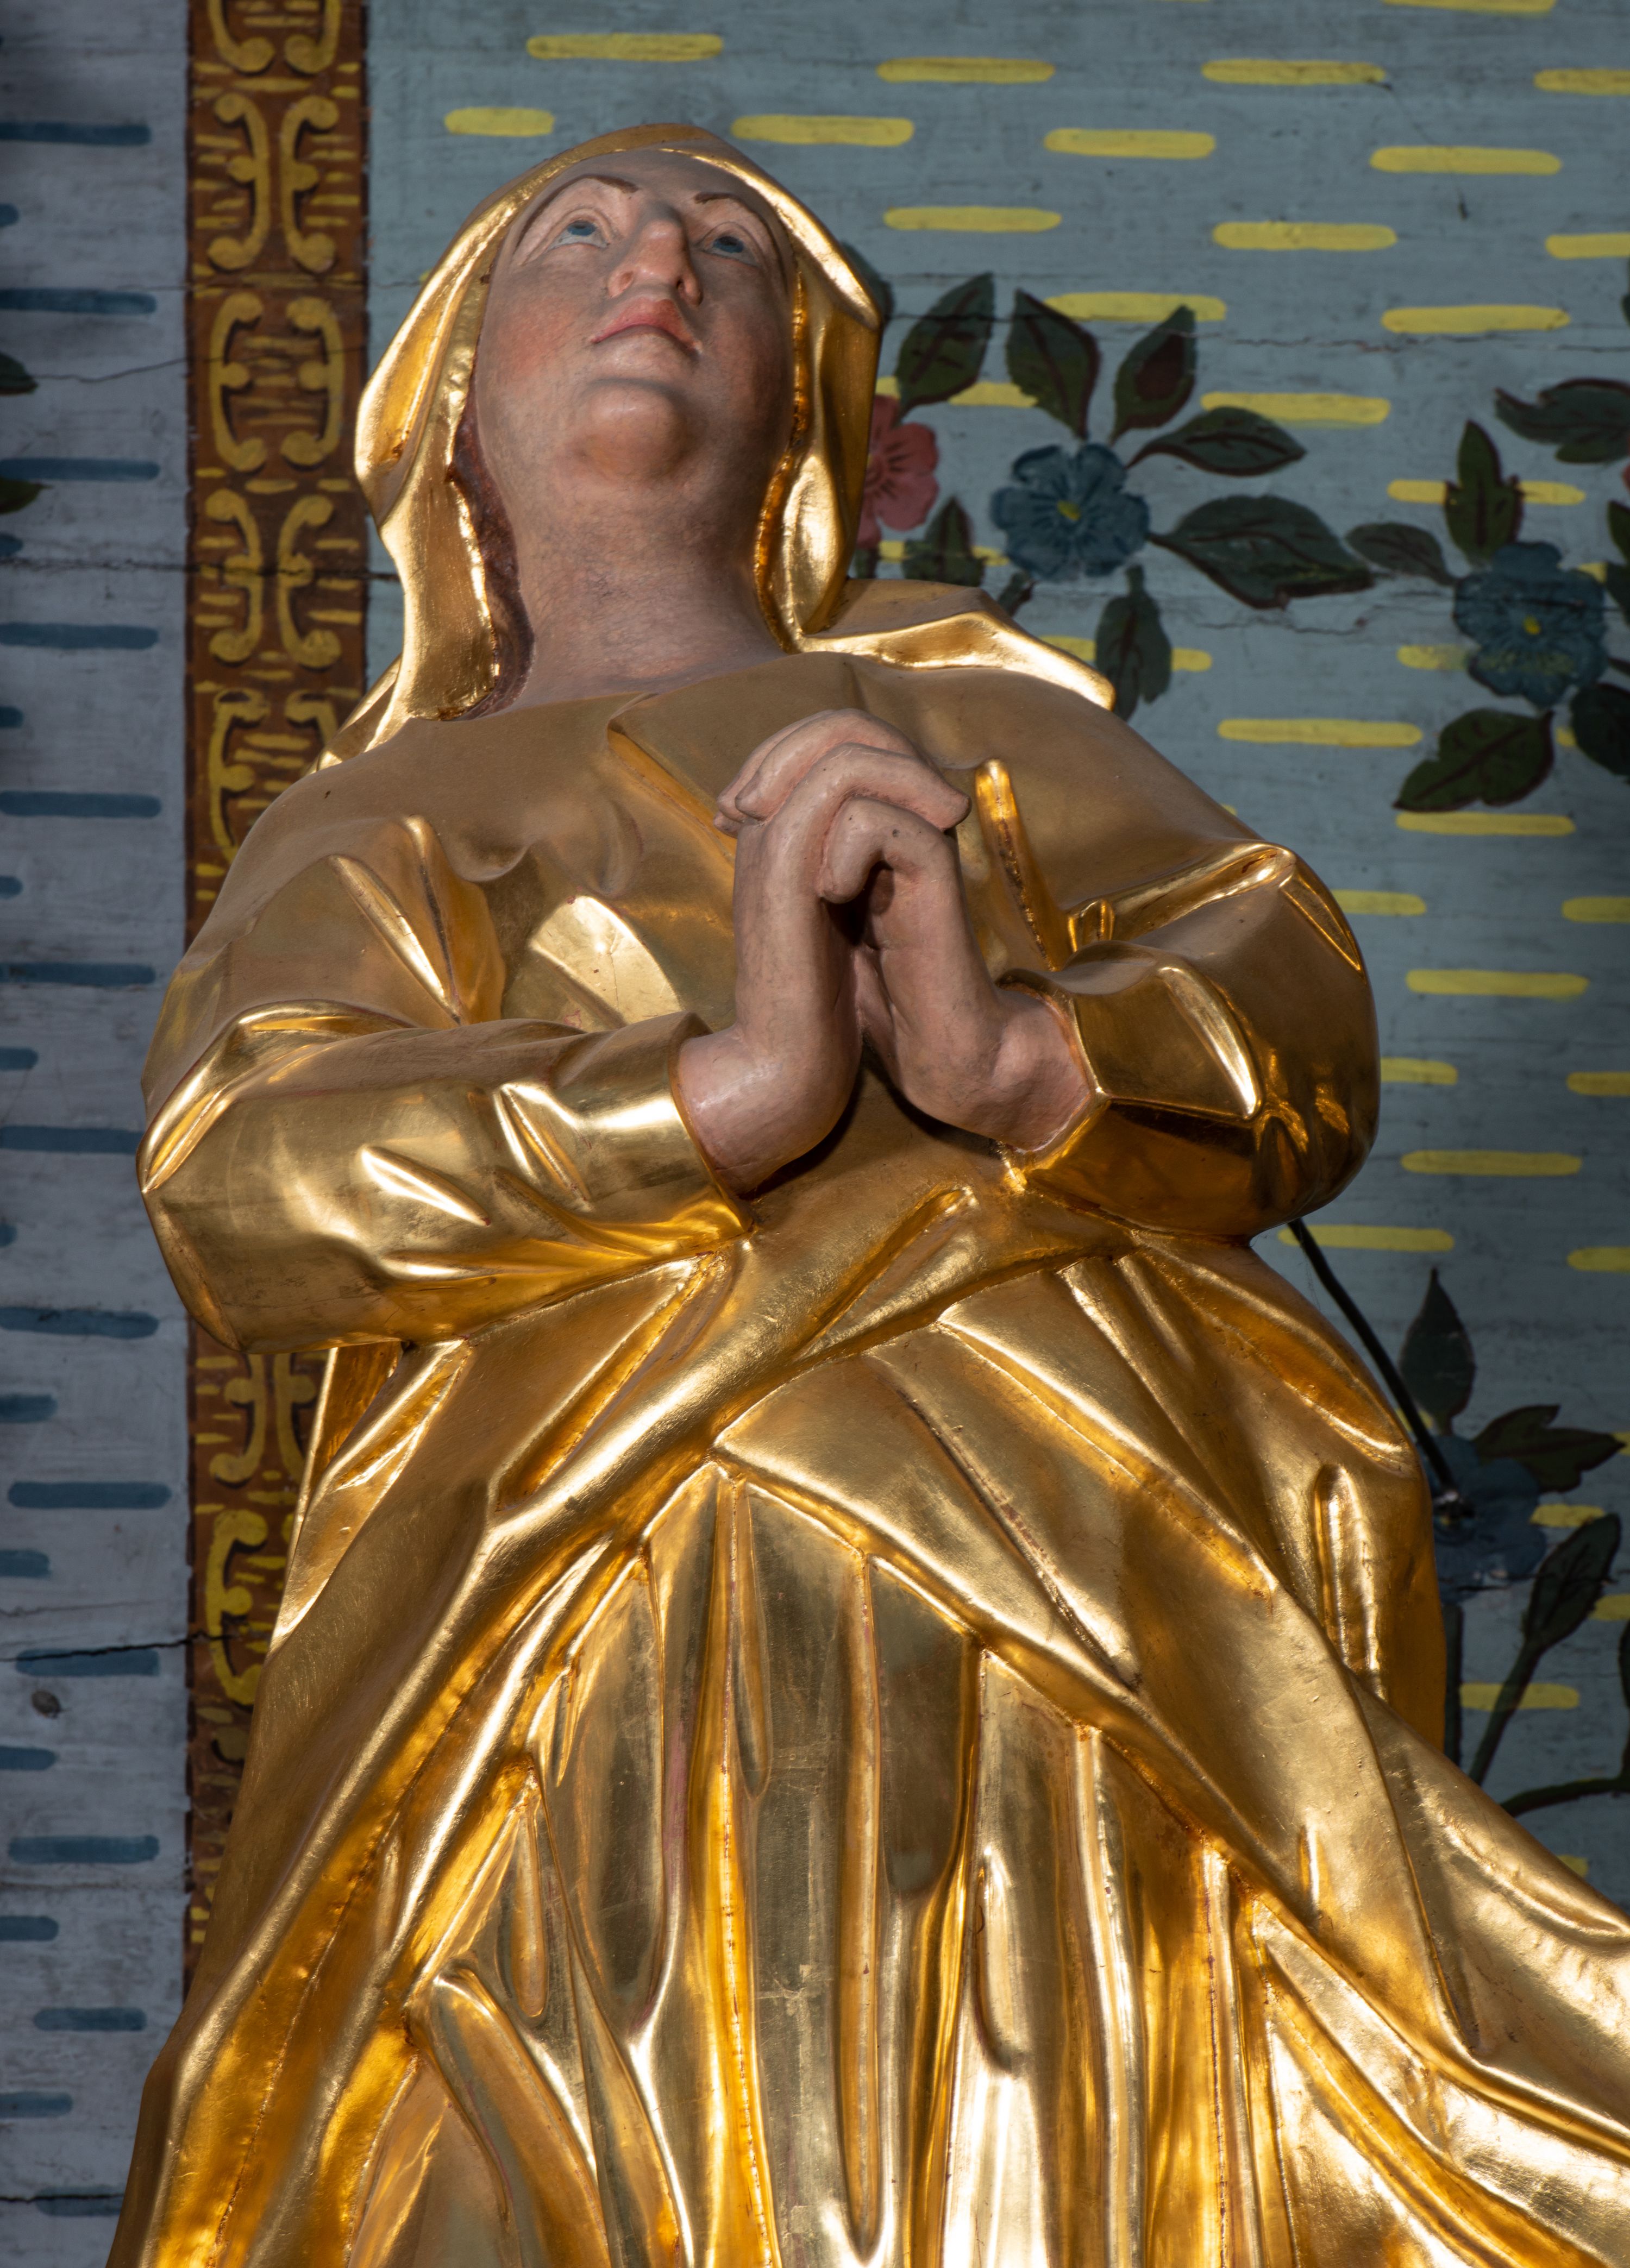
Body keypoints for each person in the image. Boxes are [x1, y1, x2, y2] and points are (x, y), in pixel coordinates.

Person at [114, 124, 1630, 2267]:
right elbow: (249, 1169)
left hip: (1070, 1611)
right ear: (455, 417)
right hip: (573, 1641)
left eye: (729, 246)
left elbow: (1280, 982)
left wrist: (1019, 1057)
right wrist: (715, 1094)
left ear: (816, 426)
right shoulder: (378, 816)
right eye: (578, 234)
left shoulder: (976, 724)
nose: (657, 261)